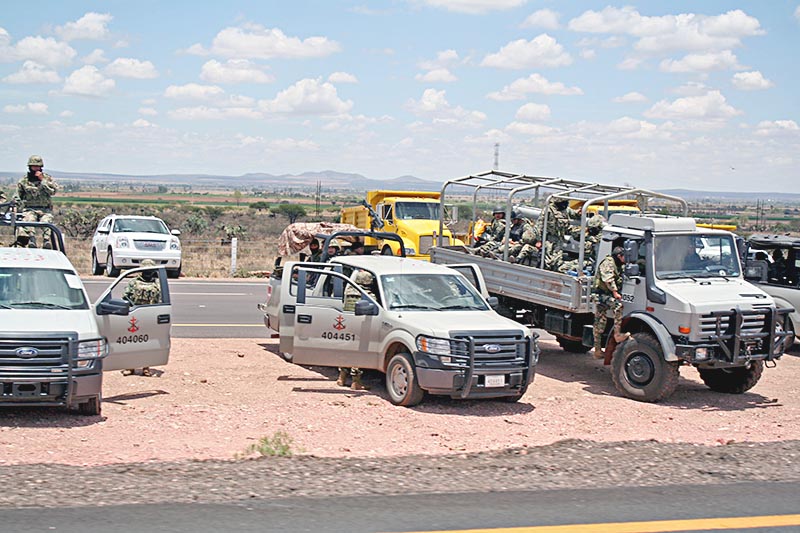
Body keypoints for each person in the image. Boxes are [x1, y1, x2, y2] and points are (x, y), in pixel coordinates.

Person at [121, 259, 162, 376]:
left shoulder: (156, 284)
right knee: (131, 342)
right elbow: (125, 297)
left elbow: (159, 300)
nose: (148, 273)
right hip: (135, 315)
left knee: (147, 342)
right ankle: (130, 367)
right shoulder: (134, 283)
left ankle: (146, 367)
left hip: (148, 316)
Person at [338, 270, 376, 390]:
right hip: (361, 327)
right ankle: (356, 382)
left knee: (346, 350)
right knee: (358, 353)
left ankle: (341, 377)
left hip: (348, 325)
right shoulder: (369, 295)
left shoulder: (348, 292)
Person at [591, 246, 629, 359]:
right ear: (619, 256)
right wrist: (615, 292)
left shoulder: (618, 264)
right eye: (625, 257)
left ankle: (597, 351)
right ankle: (617, 334)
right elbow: (608, 279)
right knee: (618, 306)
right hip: (601, 295)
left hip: (605, 295)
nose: (626, 259)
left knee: (599, 322)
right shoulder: (608, 263)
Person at [14, 155, 59, 248]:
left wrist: (43, 181)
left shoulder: (47, 179)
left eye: (38, 167)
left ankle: (46, 241)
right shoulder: (24, 180)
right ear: (30, 167)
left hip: (45, 209)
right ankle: (32, 240)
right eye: (34, 166)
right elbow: (17, 196)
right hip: (30, 209)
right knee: (29, 221)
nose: (36, 169)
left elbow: (53, 191)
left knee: (46, 222)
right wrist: (16, 205)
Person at [531, 197, 573, 271]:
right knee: (549, 260)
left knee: (557, 259)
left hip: (559, 239)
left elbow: (574, 214)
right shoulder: (548, 210)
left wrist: (579, 212)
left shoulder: (565, 210)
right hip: (550, 239)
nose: (566, 204)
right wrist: (539, 240)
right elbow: (539, 225)